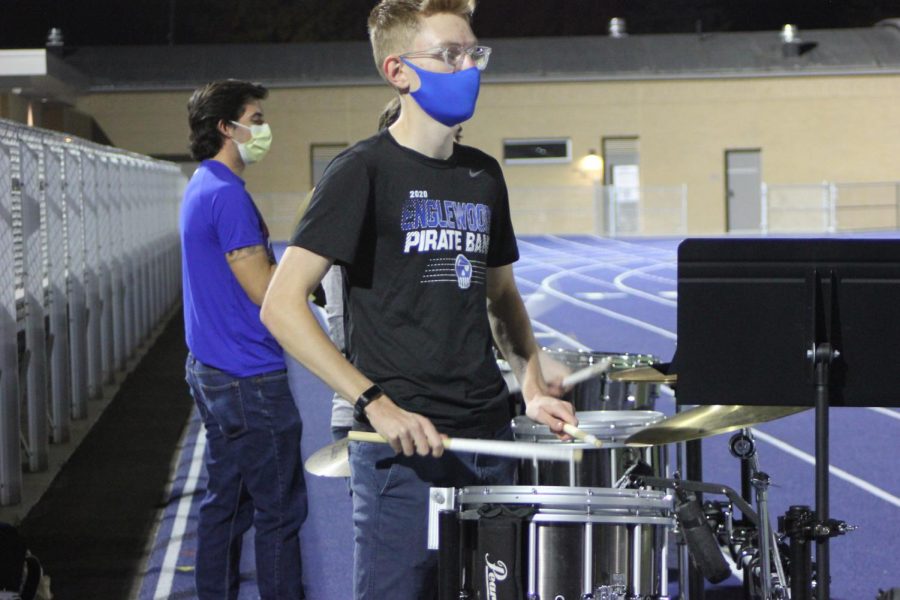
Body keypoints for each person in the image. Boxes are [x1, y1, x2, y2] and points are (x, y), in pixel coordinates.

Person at [260, 1, 576, 597]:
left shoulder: (484, 175)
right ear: (398, 71)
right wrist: (375, 403)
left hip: (488, 437)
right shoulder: (361, 171)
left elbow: (501, 296)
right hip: (400, 451)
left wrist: (531, 386)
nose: (468, 69)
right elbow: (280, 304)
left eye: (473, 54)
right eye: (449, 56)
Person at [181, 80, 306, 600]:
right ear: (225, 128)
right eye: (255, 118)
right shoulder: (229, 196)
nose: (263, 128)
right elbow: (264, 291)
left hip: (211, 368)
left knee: (225, 504)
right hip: (248, 377)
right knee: (280, 512)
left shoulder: (200, 185)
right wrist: (306, 277)